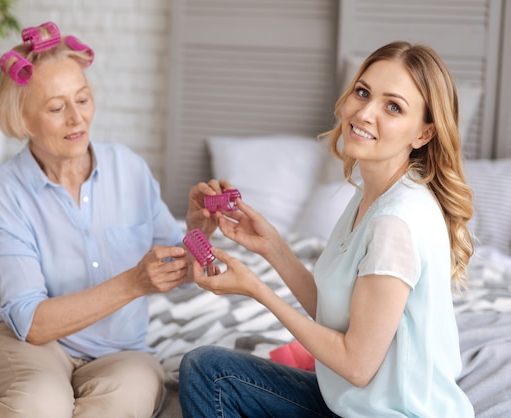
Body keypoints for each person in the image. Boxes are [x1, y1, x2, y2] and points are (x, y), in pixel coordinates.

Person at [179, 41, 475, 417]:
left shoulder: (395, 223)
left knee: (211, 376)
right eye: (363, 92)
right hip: (352, 403)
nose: (365, 113)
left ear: (424, 134)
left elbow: (356, 364)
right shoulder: (375, 192)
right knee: (209, 370)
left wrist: (256, 289)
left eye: (393, 107)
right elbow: (339, 316)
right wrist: (273, 247)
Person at [0, 22, 216, 418]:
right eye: (56, 107)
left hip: (120, 351)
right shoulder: (5, 191)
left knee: (125, 403)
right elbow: (31, 324)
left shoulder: (129, 168)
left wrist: (197, 232)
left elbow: (180, 275)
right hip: (30, 347)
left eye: (82, 99)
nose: (76, 118)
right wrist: (133, 283)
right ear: (23, 119)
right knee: (41, 404)